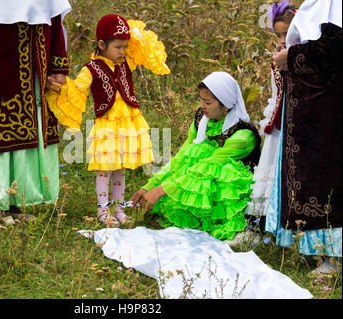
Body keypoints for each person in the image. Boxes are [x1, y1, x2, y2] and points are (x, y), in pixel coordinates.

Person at [46, 15, 170, 227]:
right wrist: (59, 88)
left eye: (124, 46)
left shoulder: (126, 62)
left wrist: (136, 35)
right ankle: (103, 209)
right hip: (107, 125)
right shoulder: (91, 68)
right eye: (118, 46)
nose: (122, 51)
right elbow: (77, 90)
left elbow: (145, 50)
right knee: (105, 168)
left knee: (120, 167)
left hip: (128, 124)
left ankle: (119, 207)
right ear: (102, 44)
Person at [0, 0, 72, 223]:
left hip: (37, 70)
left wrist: (58, 67)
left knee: (29, 133)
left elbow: (55, 19)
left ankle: (17, 201)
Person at [131, 72, 261, 241]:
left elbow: (206, 170)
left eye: (207, 102)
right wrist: (150, 186)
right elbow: (181, 158)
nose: (202, 106)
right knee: (193, 154)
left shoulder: (243, 136)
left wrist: (161, 191)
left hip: (226, 191)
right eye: (200, 99)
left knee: (224, 171)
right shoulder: (203, 120)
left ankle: (233, 227)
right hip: (199, 178)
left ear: (226, 106)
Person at [271, 0, 342, 273]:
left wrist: (291, 57)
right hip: (310, 110)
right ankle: (312, 247)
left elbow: (334, 49)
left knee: (327, 180)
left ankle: (333, 256)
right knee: (310, 178)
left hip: (328, 112)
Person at [245, 2, 296, 236]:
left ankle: (287, 226)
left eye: (287, 33)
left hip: (296, 126)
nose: (282, 40)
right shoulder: (276, 60)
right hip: (278, 125)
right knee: (267, 171)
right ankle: (258, 224)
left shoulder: (304, 61)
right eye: (278, 35)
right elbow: (276, 95)